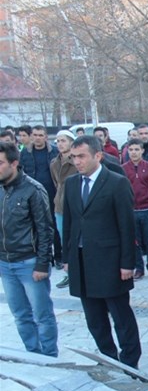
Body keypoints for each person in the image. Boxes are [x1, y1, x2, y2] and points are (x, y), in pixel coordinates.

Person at [62, 135, 141, 368]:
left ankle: (130, 362)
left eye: (82, 156)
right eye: (73, 157)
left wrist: (127, 263)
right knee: (94, 318)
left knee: (121, 317)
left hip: (110, 262)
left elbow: (127, 226)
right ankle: (108, 358)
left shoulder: (116, 182)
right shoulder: (71, 184)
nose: (77, 162)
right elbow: (69, 223)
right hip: (81, 261)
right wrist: (67, 257)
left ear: (97, 155)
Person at [0, 141, 58, 357]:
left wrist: (42, 263)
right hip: (6, 263)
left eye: (0, 163)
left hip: (30, 263)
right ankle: (32, 355)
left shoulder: (33, 189)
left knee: (42, 315)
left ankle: (49, 357)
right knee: (20, 315)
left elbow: (45, 229)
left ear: (14, 163)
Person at [20, 125, 60, 267]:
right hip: (32, 195)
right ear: (32, 136)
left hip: (52, 193)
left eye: (40, 135)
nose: (37, 138)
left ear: (46, 137)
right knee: (36, 225)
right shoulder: (25, 153)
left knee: (54, 225)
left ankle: (58, 256)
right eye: (35, 135)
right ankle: (43, 256)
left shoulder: (54, 151)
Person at [121, 138, 148, 279]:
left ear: (142, 150)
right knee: (135, 241)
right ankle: (139, 268)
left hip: (147, 209)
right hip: (131, 210)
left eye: (137, 149)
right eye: (131, 150)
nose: (134, 152)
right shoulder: (123, 169)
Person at [50, 130, 77, 288]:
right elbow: (57, 183)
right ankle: (69, 273)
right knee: (64, 239)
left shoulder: (77, 161)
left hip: (75, 205)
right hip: (60, 206)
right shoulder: (54, 163)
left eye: (63, 140)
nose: (60, 144)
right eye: (58, 141)